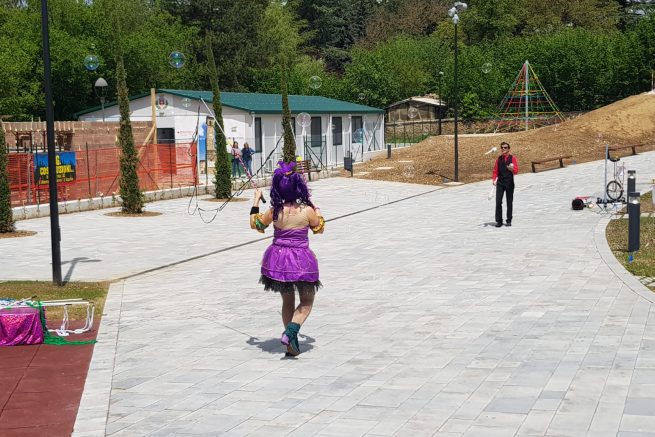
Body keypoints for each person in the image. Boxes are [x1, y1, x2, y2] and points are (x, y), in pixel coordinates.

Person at [249, 161, 325, 356]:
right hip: (302, 261)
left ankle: (291, 342)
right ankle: (291, 332)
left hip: (279, 261)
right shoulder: (306, 211)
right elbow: (319, 228)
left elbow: (256, 224)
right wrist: (317, 210)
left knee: (287, 300)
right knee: (307, 301)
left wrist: (256, 200)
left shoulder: (274, 211)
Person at [492, 142, 518, 227]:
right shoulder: (498, 159)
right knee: (498, 201)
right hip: (500, 183)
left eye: (505, 147)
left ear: (508, 149)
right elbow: (495, 171)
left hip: (509, 183)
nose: (503, 149)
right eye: (502, 147)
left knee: (509, 202)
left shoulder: (512, 158)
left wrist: (512, 169)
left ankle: (509, 220)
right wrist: (494, 179)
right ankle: (499, 221)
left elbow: (516, 171)